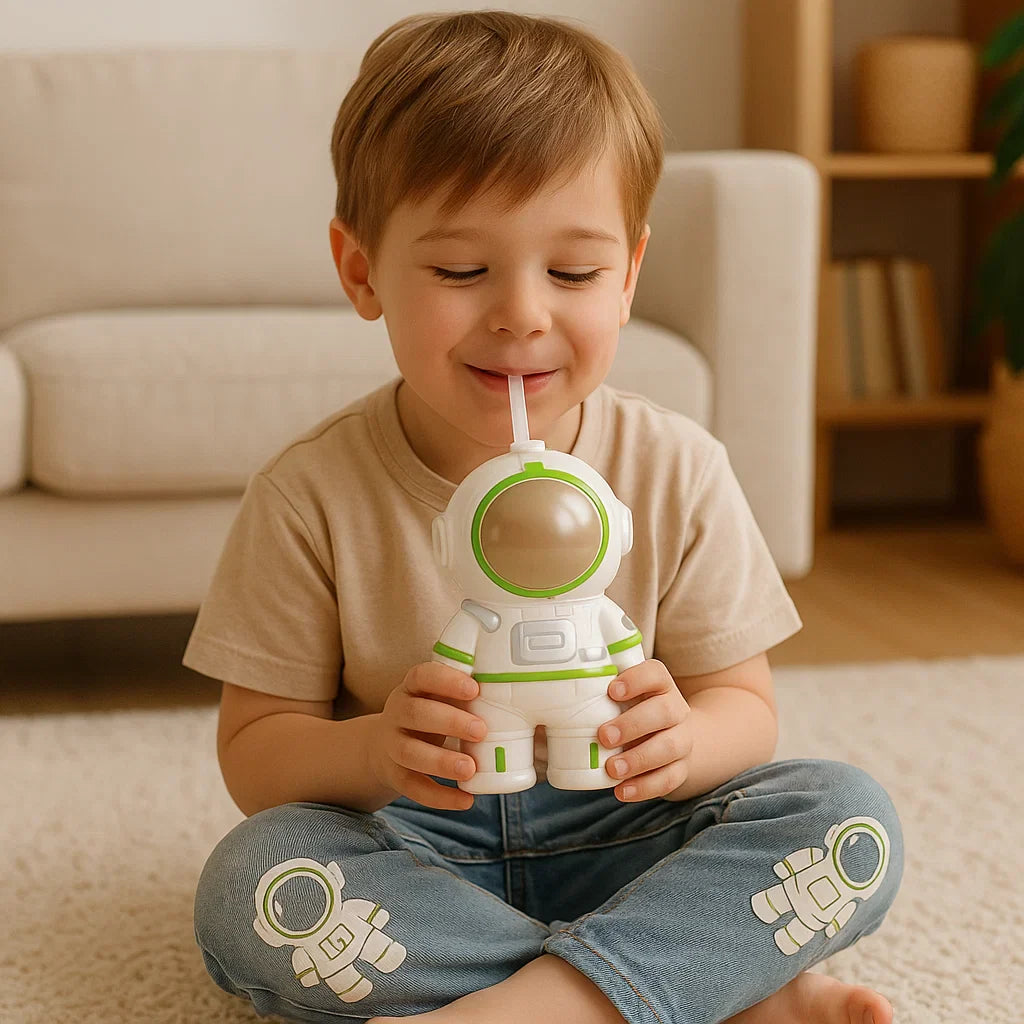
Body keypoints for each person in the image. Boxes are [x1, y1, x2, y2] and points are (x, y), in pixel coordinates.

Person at [184, 11, 903, 1024]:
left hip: (631, 830)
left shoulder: (676, 467)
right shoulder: (309, 493)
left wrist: (685, 742)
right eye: (461, 270)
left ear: (630, 274)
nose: (522, 313)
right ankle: (695, 984)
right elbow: (256, 750)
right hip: (423, 845)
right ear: (360, 271)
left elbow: (745, 706)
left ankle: (530, 1005)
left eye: (572, 273)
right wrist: (373, 749)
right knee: (257, 884)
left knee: (846, 820)